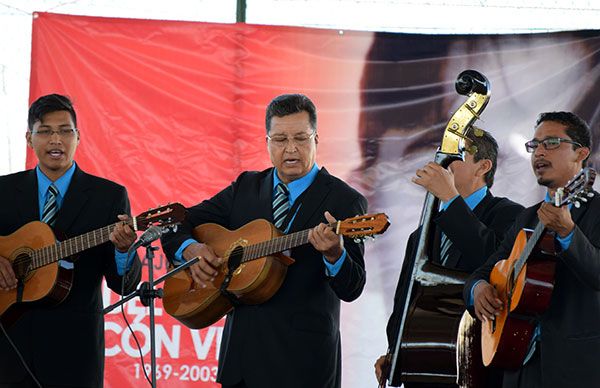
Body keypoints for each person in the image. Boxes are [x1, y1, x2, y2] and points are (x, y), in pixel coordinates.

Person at [161, 93, 368, 388]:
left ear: (316, 139)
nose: (291, 148)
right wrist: (190, 249)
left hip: (304, 366)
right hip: (241, 364)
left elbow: (353, 287)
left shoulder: (345, 201)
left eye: (300, 137)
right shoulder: (246, 187)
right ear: (267, 142)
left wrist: (335, 256)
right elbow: (177, 220)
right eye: (280, 139)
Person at [0, 94, 142, 387]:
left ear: (78, 137)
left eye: (65, 130)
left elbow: (124, 284)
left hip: (74, 351)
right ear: (29, 138)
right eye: (45, 131)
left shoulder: (109, 197)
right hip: (8, 345)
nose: (56, 140)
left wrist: (124, 250)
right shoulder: (3, 190)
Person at [374, 129, 524, 386]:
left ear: (482, 167)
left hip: (477, 362)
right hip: (423, 361)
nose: (442, 162)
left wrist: (450, 198)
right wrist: (395, 351)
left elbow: (491, 262)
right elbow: (405, 300)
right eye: (440, 153)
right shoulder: (421, 235)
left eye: (455, 154)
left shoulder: (510, 215)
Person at [465, 112, 600, 387]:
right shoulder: (527, 218)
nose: (539, 152)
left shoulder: (597, 211)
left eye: (550, 143)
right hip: (519, 366)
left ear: (581, 153)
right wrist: (477, 288)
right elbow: (483, 271)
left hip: (578, 368)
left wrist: (568, 233)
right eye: (534, 145)